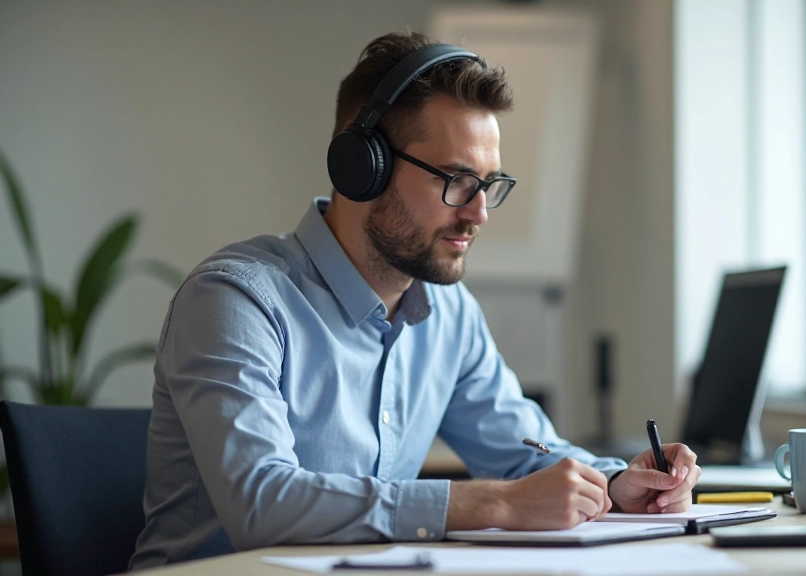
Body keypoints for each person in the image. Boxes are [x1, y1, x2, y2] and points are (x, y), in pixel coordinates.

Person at [129, 31, 700, 570]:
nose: (478, 213)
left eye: (489, 184)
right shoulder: (236, 301)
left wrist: (617, 483)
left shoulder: (448, 315)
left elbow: (524, 450)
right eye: (454, 179)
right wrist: (494, 504)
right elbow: (262, 503)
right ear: (362, 169)